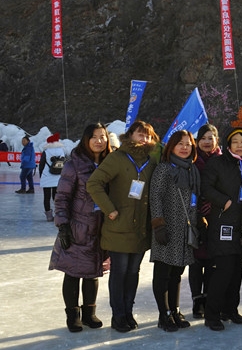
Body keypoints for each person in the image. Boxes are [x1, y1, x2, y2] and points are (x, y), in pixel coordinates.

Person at [86, 120, 159, 333]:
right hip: (118, 225)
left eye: (148, 135)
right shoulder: (117, 158)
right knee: (120, 272)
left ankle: (128, 310)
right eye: (140, 134)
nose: (144, 138)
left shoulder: (151, 161)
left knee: (133, 272)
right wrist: (109, 209)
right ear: (130, 135)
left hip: (140, 228)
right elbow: (94, 183)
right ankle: (118, 315)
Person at [49, 123, 111, 332]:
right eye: (94, 137)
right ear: (86, 139)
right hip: (77, 227)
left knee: (93, 272)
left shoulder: (109, 163)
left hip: (100, 227)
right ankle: (72, 315)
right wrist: (63, 225)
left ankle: (89, 313)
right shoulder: (73, 165)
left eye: (102, 137)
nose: (98, 141)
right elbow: (62, 197)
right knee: (73, 272)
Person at [200, 127, 242, 331]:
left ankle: (230, 309)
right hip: (222, 223)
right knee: (223, 271)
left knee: (236, 272)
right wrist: (223, 201)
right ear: (228, 144)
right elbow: (205, 188)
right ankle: (212, 314)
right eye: (235, 141)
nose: (240, 145)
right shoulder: (217, 163)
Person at [149, 130, 200, 332]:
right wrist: (159, 224)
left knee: (177, 273)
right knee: (163, 273)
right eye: (180, 144)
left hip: (186, 230)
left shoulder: (192, 170)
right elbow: (155, 197)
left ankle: (175, 310)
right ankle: (164, 314)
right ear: (172, 146)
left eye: (188, 144)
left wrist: (198, 222)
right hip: (167, 229)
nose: (185, 147)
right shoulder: (163, 169)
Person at [189, 123, 221, 318]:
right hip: (194, 216)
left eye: (211, 138)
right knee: (195, 261)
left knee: (211, 260)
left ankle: (209, 297)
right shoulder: (192, 161)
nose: (207, 142)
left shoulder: (222, 161)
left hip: (216, 217)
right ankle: (197, 299)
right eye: (203, 138)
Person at [39, 133, 67, 221]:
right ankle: (58, 214)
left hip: (47, 176)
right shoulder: (62, 151)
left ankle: (49, 216)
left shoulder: (46, 152)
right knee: (56, 197)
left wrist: (41, 175)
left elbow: (41, 165)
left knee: (46, 197)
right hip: (58, 177)